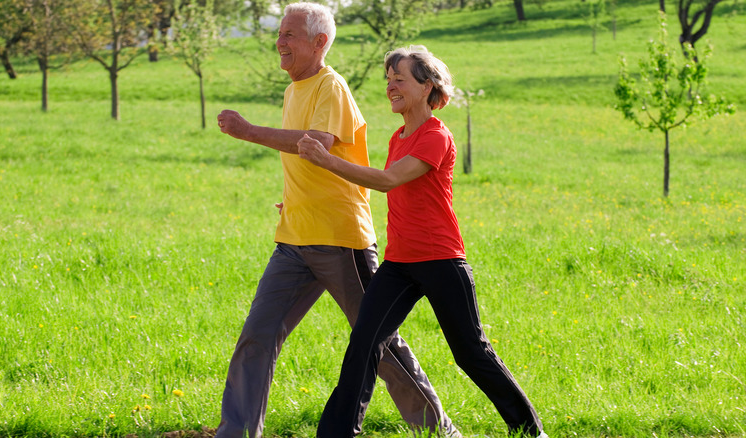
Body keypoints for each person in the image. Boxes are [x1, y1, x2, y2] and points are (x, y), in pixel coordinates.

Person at [214, 4, 459, 438]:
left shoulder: (332, 86)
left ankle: (438, 429)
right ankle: (235, 433)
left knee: (379, 342)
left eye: (290, 35)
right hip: (293, 238)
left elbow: (317, 144)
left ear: (319, 42)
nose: (280, 42)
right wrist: (295, 200)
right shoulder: (294, 91)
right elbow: (309, 165)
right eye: (280, 33)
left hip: (340, 240)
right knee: (258, 336)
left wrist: (249, 131)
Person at [297, 46, 548, 438]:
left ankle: (531, 431)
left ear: (427, 86)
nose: (390, 86)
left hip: (440, 260)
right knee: (364, 344)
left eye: (400, 78)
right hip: (399, 264)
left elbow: (388, 181)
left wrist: (326, 159)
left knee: (471, 354)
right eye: (388, 79)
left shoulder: (436, 136)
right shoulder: (399, 136)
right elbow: (383, 186)